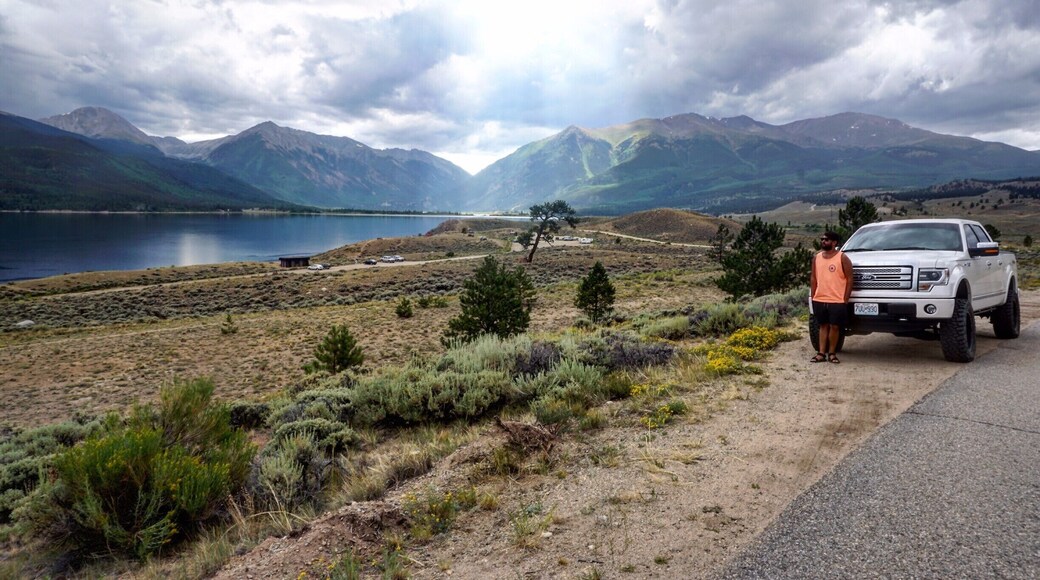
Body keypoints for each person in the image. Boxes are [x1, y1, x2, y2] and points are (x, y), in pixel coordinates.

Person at [810, 231, 853, 363]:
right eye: (822, 239)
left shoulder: (842, 258)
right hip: (820, 298)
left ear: (834, 242)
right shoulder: (817, 258)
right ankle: (821, 353)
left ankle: (832, 353)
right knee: (823, 326)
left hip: (837, 299)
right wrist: (813, 295)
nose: (823, 241)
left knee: (835, 327)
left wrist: (845, 298)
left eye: (826, 239)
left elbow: (850, 278)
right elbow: (813, 277)